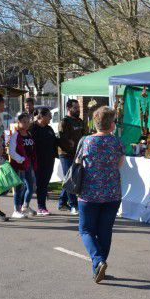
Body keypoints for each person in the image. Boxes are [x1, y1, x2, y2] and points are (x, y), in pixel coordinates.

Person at [77, 106, 125, 282]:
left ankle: (98, 261)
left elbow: (78, 162)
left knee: (86, 230)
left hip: (89, 193)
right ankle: (99, 265)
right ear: (111, 124)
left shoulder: (86, 141)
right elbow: (120, 164)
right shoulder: (117, 142)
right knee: (105, 230)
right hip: (112, 192)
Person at [57, 99, 85, 214]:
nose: (78, 110)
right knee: (70, 179)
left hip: (77, 154)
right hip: (66, 154)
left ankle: (62, 202)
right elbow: (62, 138)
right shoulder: (64, 122)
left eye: (78, 107)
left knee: (70, 178)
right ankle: (73, 205)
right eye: (75, 108)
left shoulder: (80, 121)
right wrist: (69, 144)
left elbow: (84, 136)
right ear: (69, 108)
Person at [9, 112, 37, 219]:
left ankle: (26, 206)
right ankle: (16, 210)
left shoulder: (29, 134)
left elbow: (32, 150)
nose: (26, 124)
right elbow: (12, 151)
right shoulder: (16, 135)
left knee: (31, 187)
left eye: (28, 122)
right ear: (18, 122)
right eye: (24, 122)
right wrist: (21, 159)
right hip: (19, 166)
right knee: (19, 188)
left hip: (28, 165)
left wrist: (32, 162)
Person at [30, 107, 58, 215]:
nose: (51, 117)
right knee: (31, 185)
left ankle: (41, 207)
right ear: (41, 116)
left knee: (44, 184)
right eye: (49, 115)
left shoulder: (49, 129)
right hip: (36, 161)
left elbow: (55, 142)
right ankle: (22, 206)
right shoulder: (32, 128)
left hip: (48, 160)